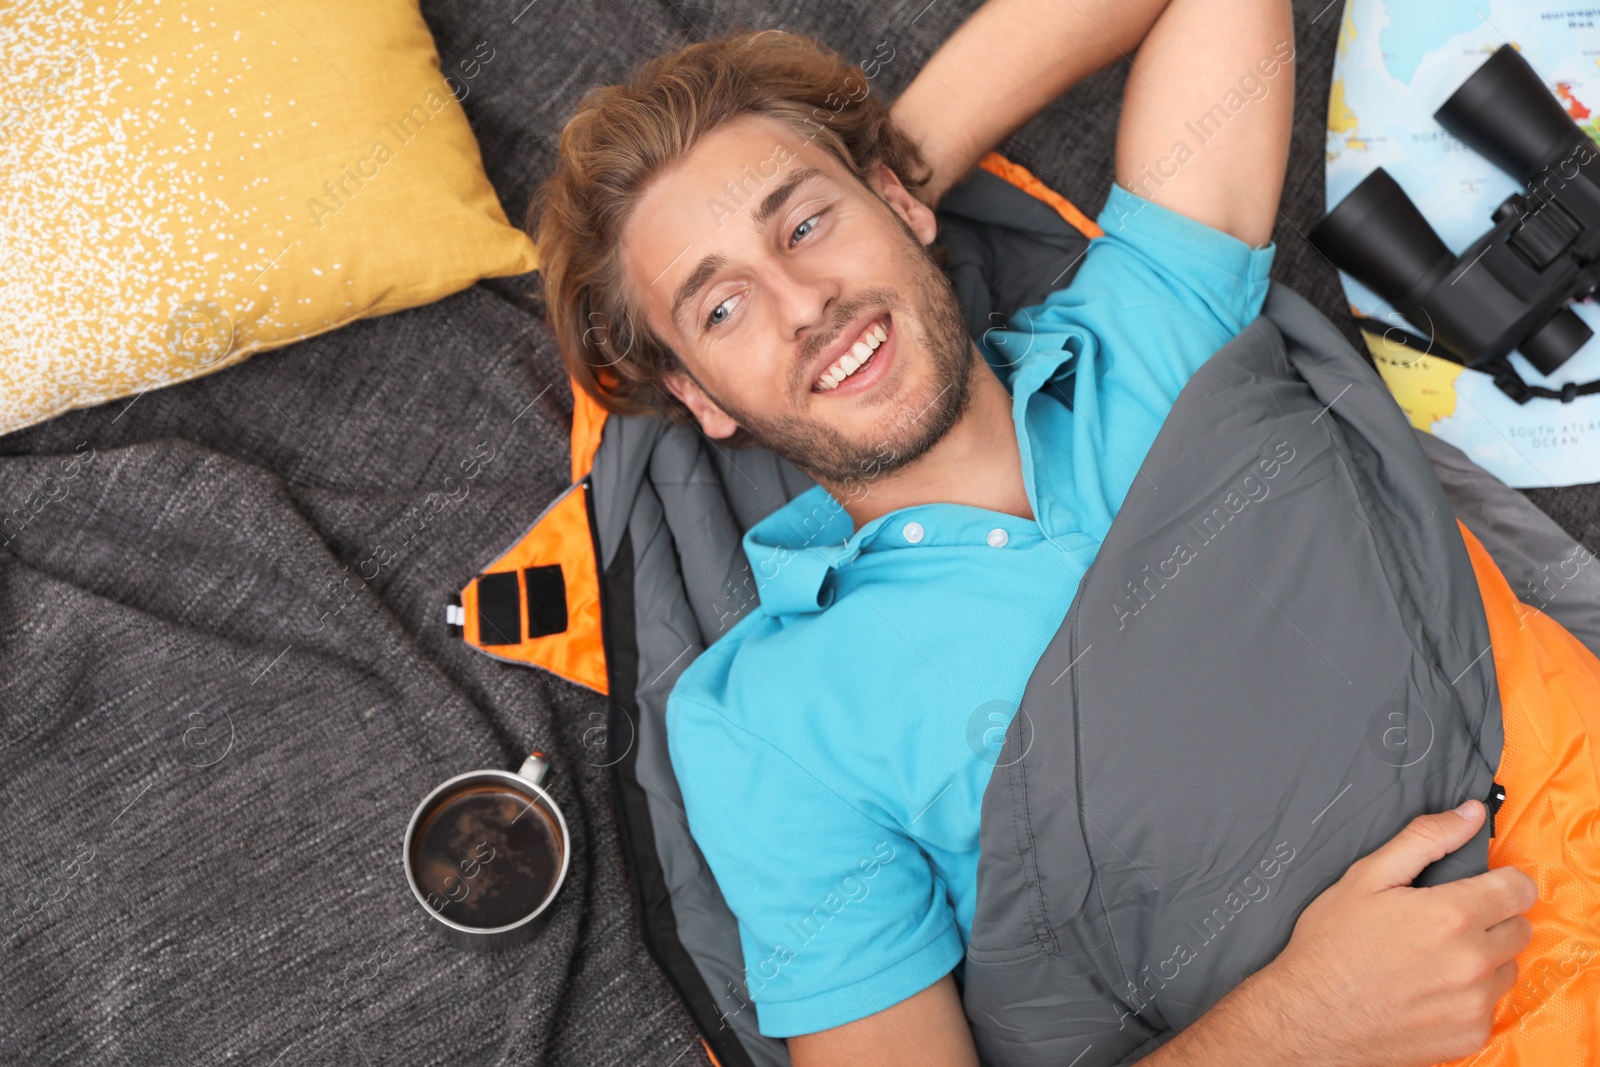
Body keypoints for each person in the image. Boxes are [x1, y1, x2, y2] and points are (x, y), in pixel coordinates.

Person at [529, 1, 1538, 1063]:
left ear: (897, 203)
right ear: (701, 398)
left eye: (806, 224)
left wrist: (904, 154)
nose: (803, 304)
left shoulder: (1147, 319)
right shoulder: (765, 719)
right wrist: (1299, 1022)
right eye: (721, 309)